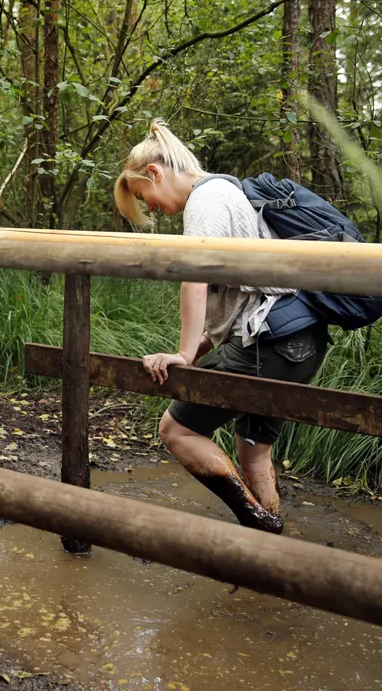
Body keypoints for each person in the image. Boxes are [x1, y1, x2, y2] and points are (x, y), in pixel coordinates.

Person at [112, 120, 329, 534]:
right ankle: (270, 550)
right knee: (253, 450)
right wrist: (198, 348)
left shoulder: (205, 201)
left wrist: (183, 353)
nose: (152, 208)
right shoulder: (227, 192)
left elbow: (193, 277)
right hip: (301, 338)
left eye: (145, 197)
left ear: (155, 173)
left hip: (270, 341)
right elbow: (238, 301)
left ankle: (261, 524)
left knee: (176, 429)